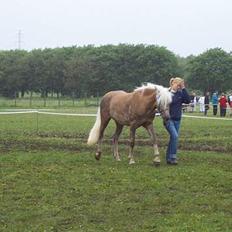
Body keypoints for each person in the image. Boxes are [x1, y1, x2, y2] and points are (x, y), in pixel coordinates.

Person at [164, 77, 190, 165]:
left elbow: (188, 100)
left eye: (180, 85)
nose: (179, 87)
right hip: (168, 119)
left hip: (177, 119)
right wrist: (172, 91)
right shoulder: (167, 93)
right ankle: (173, 157)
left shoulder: (180, 93)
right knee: (175, 136)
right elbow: (168, 103)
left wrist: (183, 88)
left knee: (173, 138)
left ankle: (168, 158)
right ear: (173, 84)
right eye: (178, 84)